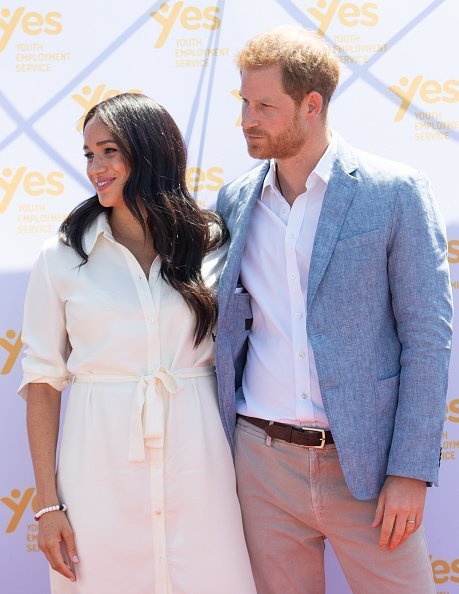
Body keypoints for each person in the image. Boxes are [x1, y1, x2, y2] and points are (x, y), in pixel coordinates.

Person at [215, 25, 453, 594]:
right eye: (245, 102)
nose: (248, 117)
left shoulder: (394, 192)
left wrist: (409, 471)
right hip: (262, 463)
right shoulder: (234, 200)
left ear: (311, 105)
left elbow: (428, 335)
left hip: (366, 470)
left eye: (265, 105)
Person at [19, 93, 256, 594]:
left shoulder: (214, 241)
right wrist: (47, 505)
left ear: (150, 153)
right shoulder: (62, 255)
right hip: (97, 467)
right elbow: (41, 381)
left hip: (202, 466)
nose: (95, 167)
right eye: (88, 154)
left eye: (109, 151)